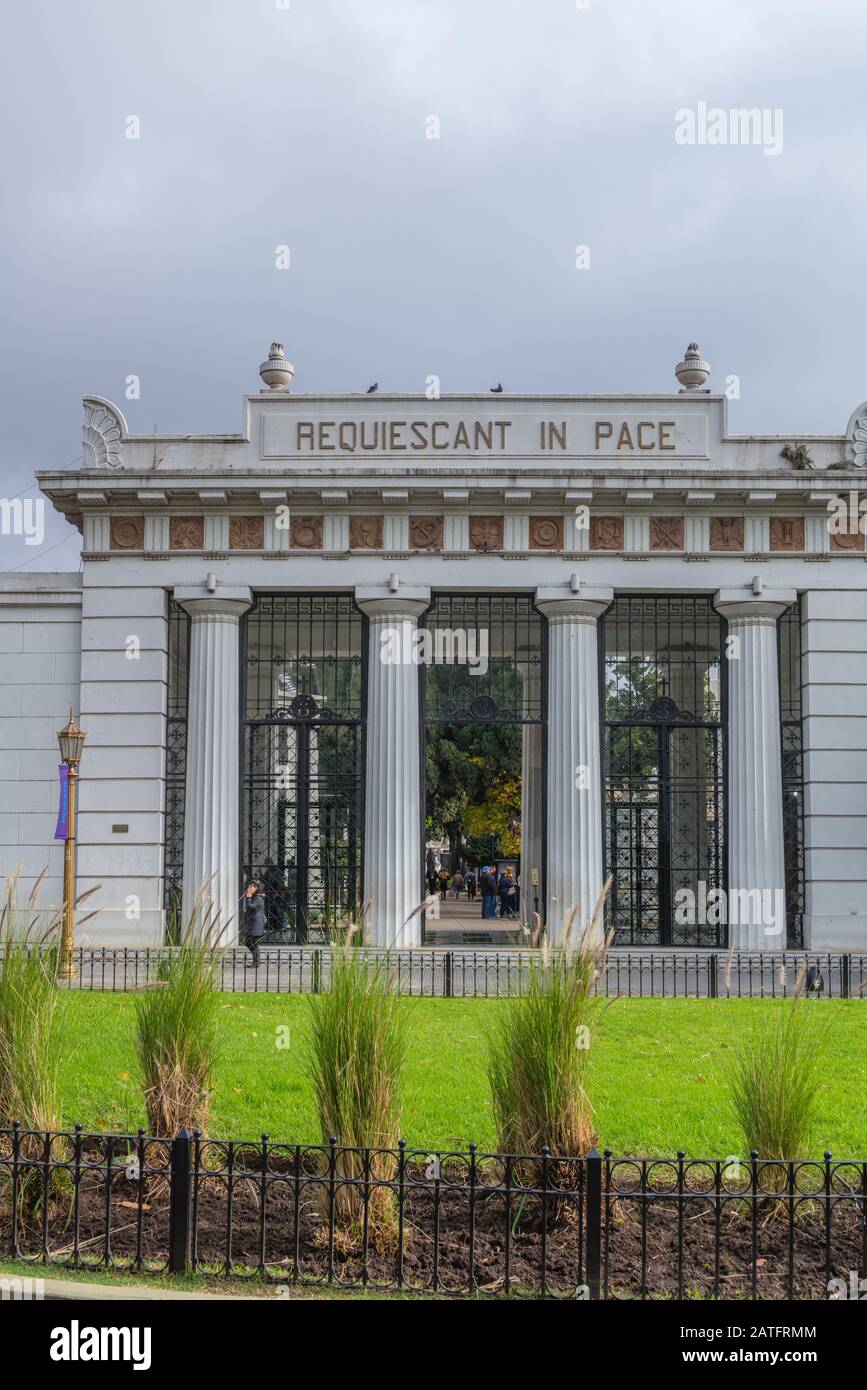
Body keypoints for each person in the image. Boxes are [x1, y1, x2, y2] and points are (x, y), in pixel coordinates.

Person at [243, 879, 266, 967]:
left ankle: (256, 962)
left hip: (256, 925)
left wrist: (248, 897)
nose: (249, 888)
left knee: (252, 943)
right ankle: (256, 961)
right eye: (249, 886)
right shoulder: (255, 897)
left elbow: (251, 907)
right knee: (250, 942)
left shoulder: (258, 898)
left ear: (256, 888)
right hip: (253, 924)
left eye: (251, 886)